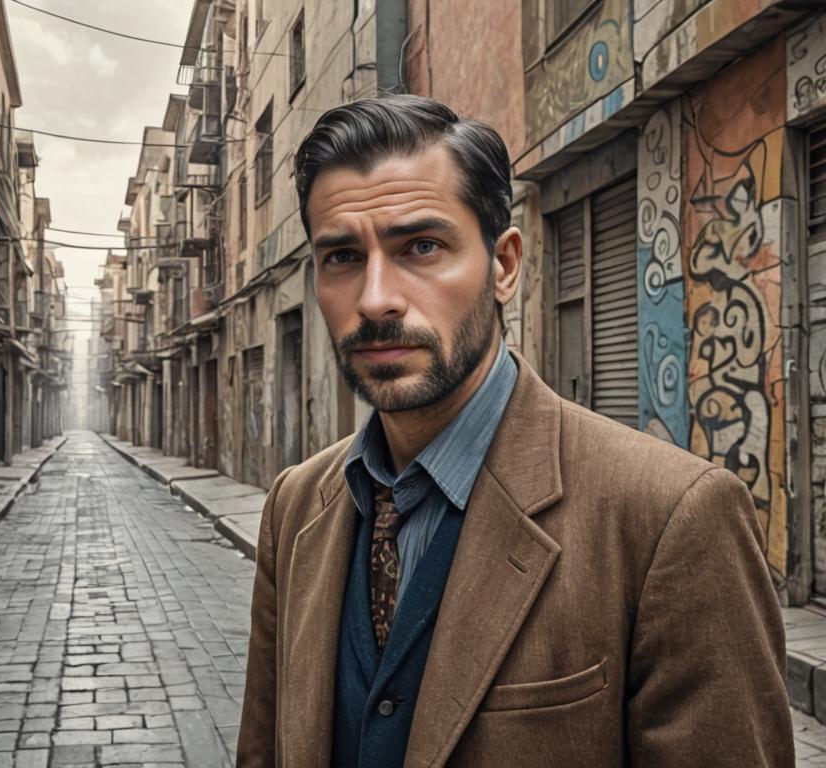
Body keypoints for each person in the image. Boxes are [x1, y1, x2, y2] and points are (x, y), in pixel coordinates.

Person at [236, 94, 792, 767]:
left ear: (504, 265)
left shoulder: (668, 518)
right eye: (343, 257)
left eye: (421, 246)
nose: (375, 296)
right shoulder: (295, 506)